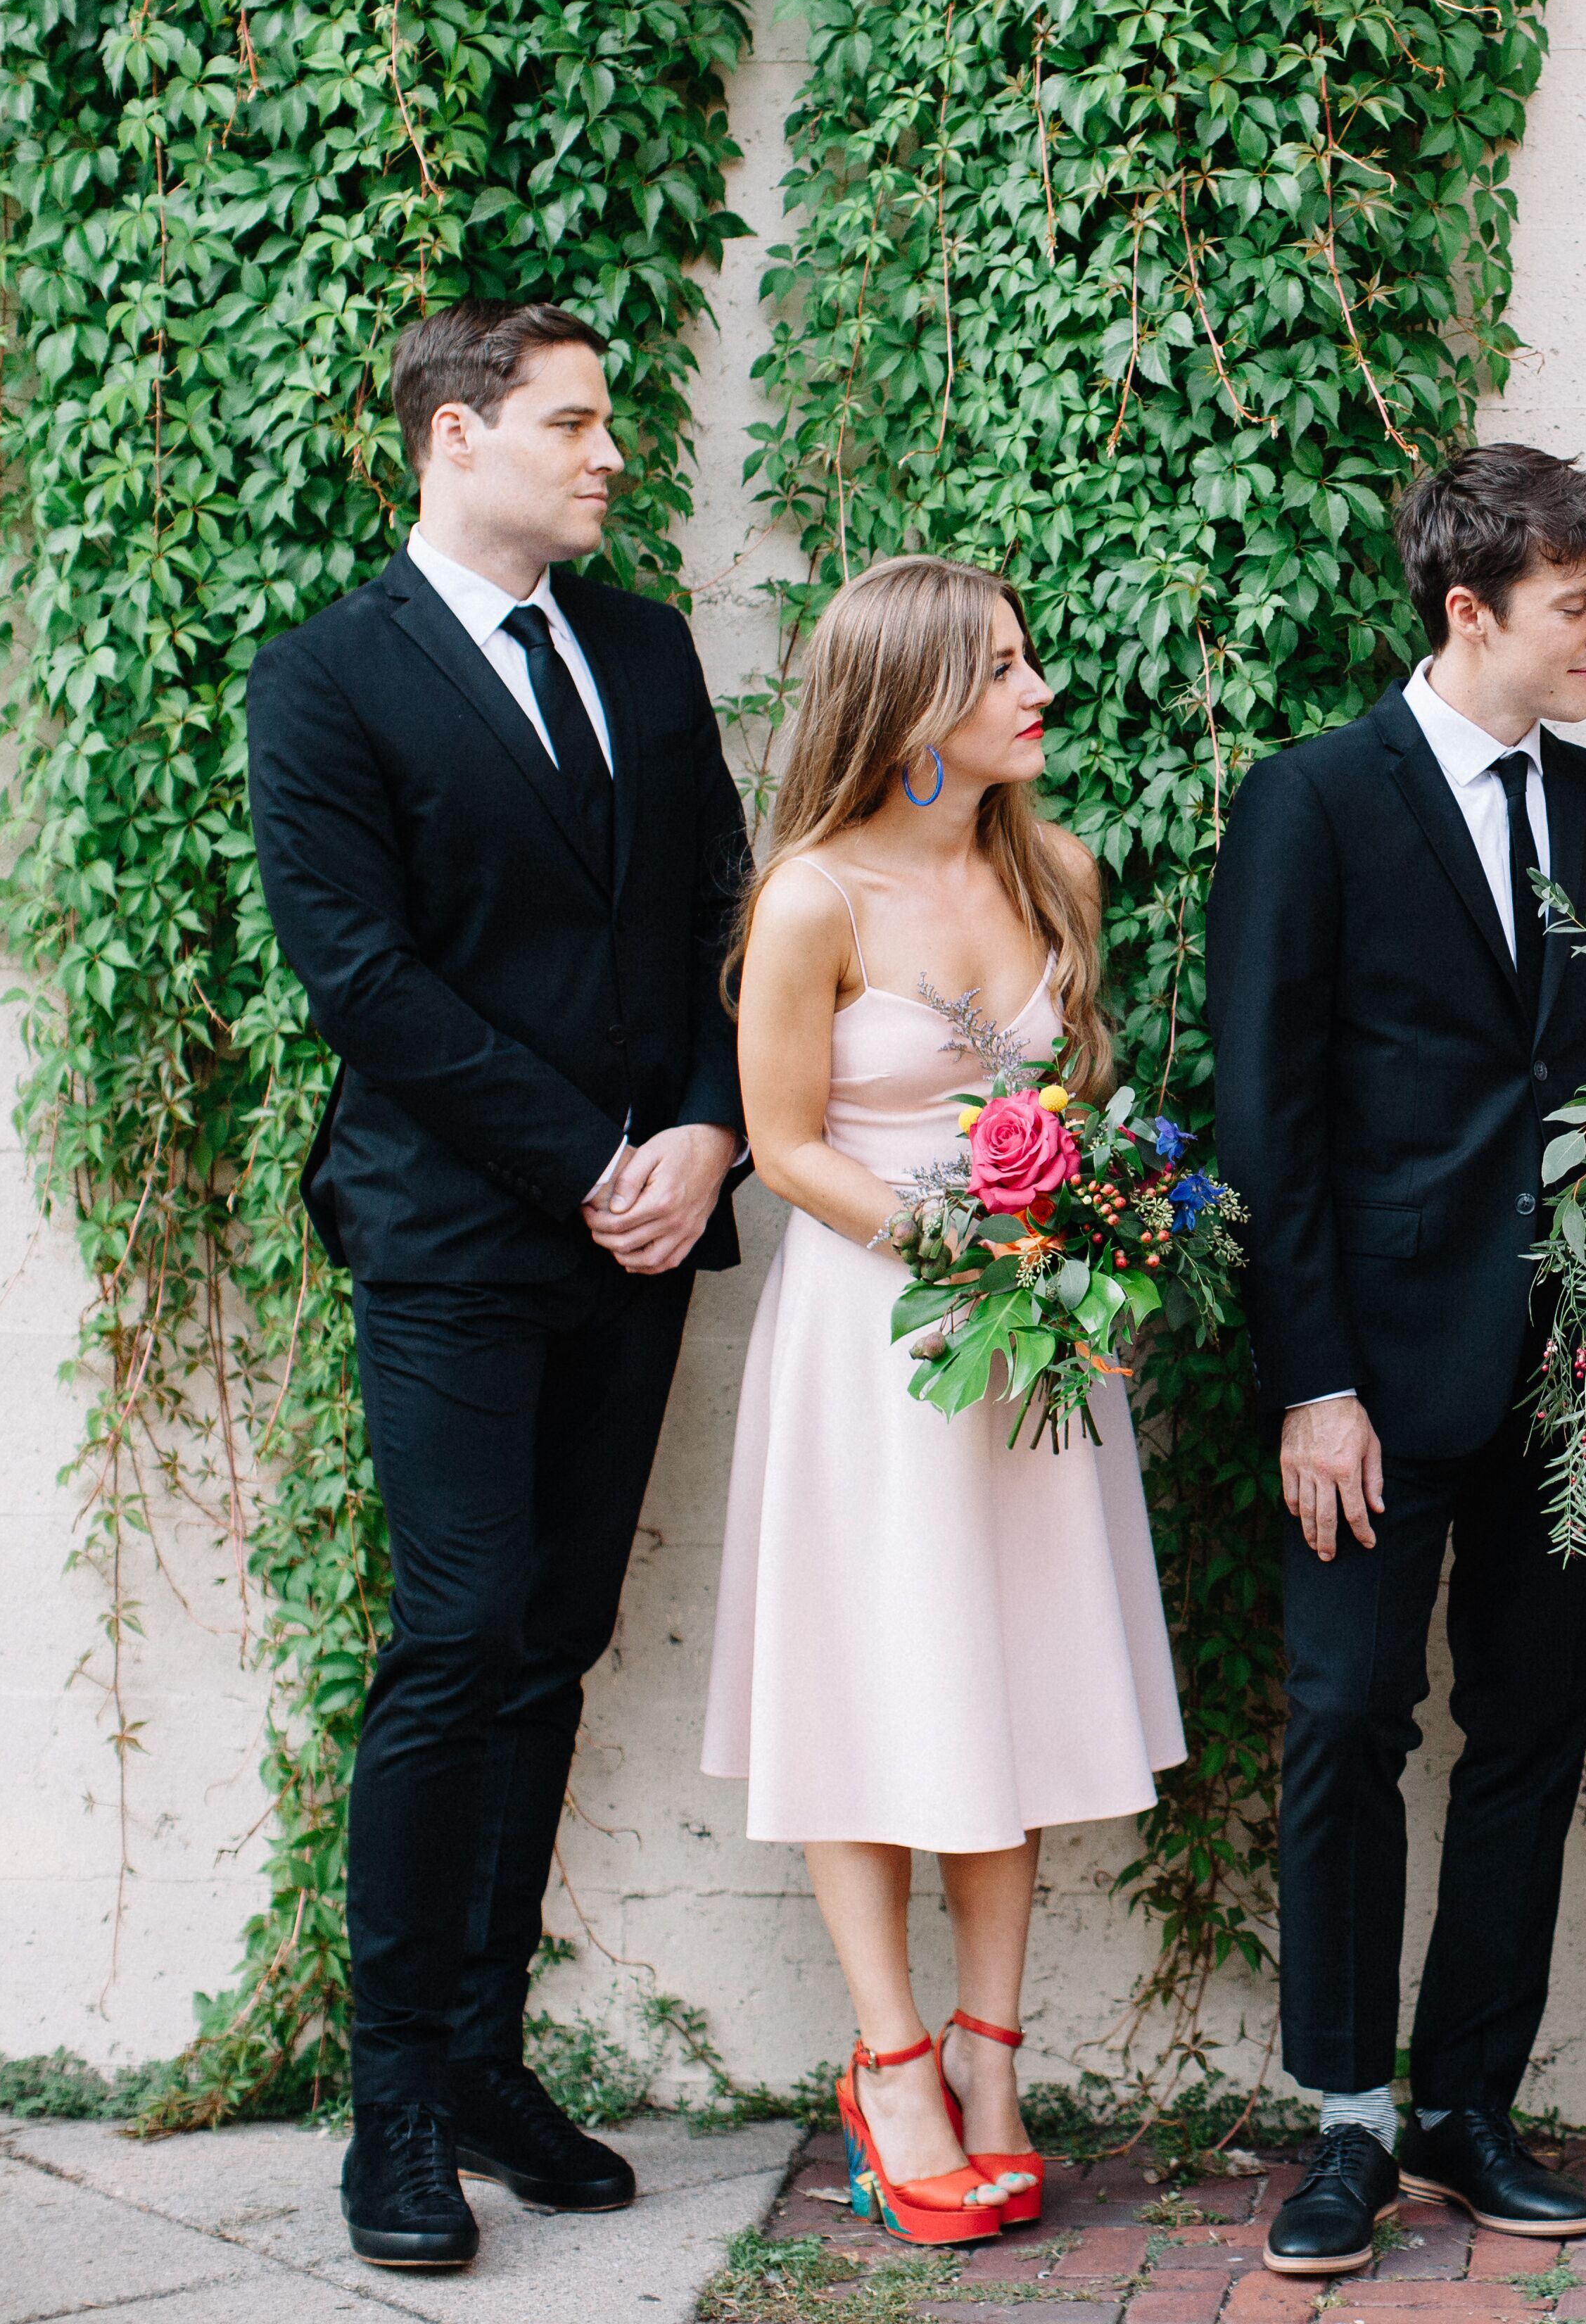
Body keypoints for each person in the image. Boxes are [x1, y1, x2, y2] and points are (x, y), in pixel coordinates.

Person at [246, 301, 753, 2270]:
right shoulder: (328, 679)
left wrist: (707, 1130)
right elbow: (360, 978)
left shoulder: (637, 644)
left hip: (645, 1223)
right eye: (572, 420)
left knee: (549, 1641)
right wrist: (586, 1159)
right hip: (459, 1233)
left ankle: (480, 2057)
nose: (608, 451)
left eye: (605, 420)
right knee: (456, 1644)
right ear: (457, 439)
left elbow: (732, 910)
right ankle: (390, 2109)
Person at [1205, 447, 1586, 2279]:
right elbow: (1263, 1114)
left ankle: (1470, 2103)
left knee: (1532, 1741)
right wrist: (1313, 1380)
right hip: (1371, 1380)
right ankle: (1347, 2128)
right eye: (1577, 609)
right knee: (1346, 1732)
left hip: (1575, 1371)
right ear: (1470, 612)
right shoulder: (1311, 803)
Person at [704, 556, 1186, 2247]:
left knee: (1012, 1686)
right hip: (881, 1341)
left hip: (1038, 1347)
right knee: (869, 1689)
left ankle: (993, 2053)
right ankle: (891, 2062)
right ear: (910, 702)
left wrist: (1085, 1264)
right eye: (997, 667)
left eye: (1027, 653)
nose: (1035, 685)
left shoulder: (1054, 868)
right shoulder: (811, 900)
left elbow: (1080, 1097)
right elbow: (781, 1149)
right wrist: (962, 1248)